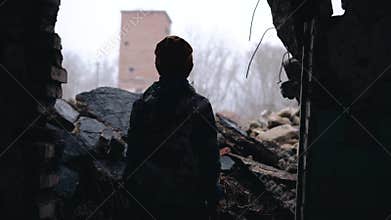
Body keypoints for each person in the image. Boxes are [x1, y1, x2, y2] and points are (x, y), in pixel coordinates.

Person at [123, 36, 221, 220]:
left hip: (147, 202)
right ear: (189, 67)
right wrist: (211, 197)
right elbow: (210, 161)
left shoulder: (142, 106)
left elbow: (133, 159)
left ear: (158, 64)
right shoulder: (200, 107)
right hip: (189, 205)